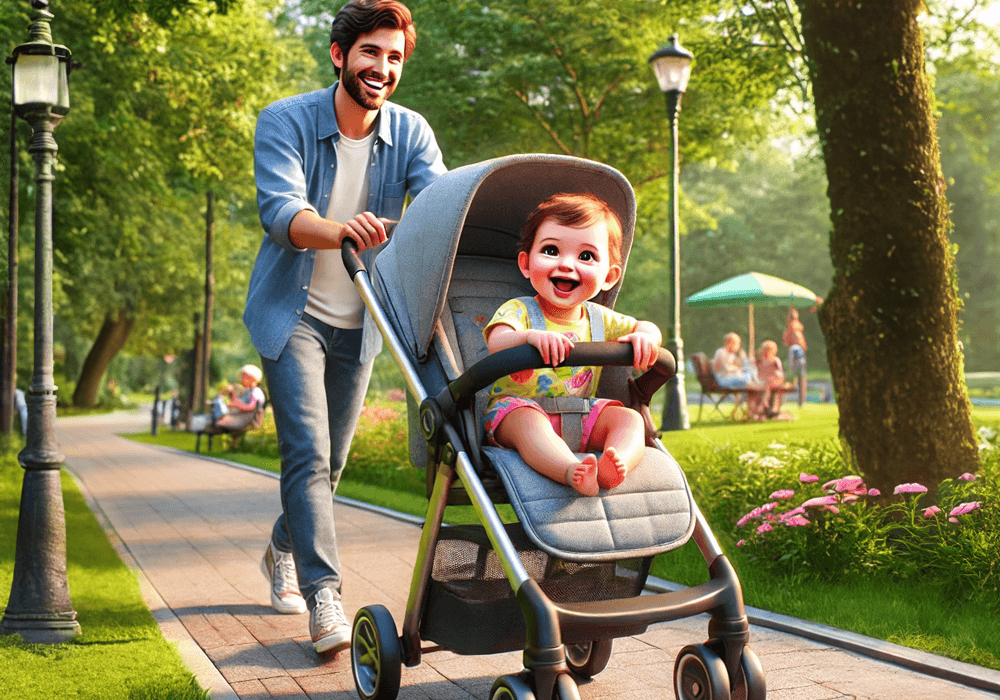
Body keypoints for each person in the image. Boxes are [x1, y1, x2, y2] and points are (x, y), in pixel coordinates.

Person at [246, 0, 446, 654]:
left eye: (394, 57)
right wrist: (344, 233)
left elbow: (439, 208)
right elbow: (281, 212)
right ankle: (324, 595)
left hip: (360, 323)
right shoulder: (285, 121)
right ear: (339, 55)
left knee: (329, 468)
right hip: (293, 314)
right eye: (370, 53)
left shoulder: (411, 132)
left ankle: (282, 547)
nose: (381, 68)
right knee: (308, 453)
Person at [482, 192, 662, 496]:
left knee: (629, 419)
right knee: (528, 423)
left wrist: (647, 336)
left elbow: (642, 325)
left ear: (609, 276)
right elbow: (496, 341)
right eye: (551, 250)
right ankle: (570, 471)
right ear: (526, 264)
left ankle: (614, 466)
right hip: (516, 412)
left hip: (580, 413)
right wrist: (528, 337)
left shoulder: (601, 319)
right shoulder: (520, 310)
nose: (566, 265)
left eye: (586, 256)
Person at [711, 332, 764, 416]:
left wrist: (744, 359)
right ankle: (755, 409)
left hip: (731, 378)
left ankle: (752, 409)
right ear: (730, 342)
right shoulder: (721, 352)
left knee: (750, 378)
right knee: (752, 385)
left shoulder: (730, 355)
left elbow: (741, 365)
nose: (739, 346)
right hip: (723, 380)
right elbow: (726, 369)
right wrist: (740, 369)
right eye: (737, 343)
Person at [213, 365, 266, 430]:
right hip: (242, 416)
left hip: (248, 420)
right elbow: (236, 402)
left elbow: (251, 407)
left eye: (244, 376)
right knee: (218, 404)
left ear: (252, 378)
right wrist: (231, 393)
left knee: (218, 421)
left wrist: (237, 406)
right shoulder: (248, 391)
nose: (241, 379)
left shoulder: (256, 391)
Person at [756, 340, 789, 419]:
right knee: (766, 384)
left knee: (771, 384)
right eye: (765, 349)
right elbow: (758, 373)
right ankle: (764, 407)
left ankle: (766, 403)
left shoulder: (775, 361)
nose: (766, 351)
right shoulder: (759, 361)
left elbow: (779, 374)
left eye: (768, 349)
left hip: (774, 381)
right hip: (763, 381)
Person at [782, 307, 807, 390]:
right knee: (794, 370)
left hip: (799, 348)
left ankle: (797, 385)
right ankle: (793, 384)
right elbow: (786, 339)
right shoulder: (791, 326)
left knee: (799, 370)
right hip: (795, 348)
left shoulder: (796, 325)